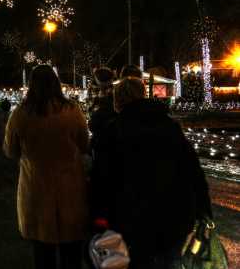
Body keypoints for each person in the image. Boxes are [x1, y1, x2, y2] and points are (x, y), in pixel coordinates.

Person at [90, 77, 212, 269]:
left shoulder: (113, 132)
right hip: (174, 217)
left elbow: (102, 180)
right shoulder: (170, 127)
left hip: (132, 221)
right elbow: (192, 170)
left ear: (118, 101)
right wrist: (203, 208)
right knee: (170, 262)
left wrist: (98, 218)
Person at [3, 65, 90, 269]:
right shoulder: (72, 110)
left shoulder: (21, 114)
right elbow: (84, 144)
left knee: (42, 254)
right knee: (72, 255)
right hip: (70, 189)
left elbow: (10, 150)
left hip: (36, 189)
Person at [89, 67, 117, 148]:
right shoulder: (116, 92)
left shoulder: (104, 97)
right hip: (113, 138)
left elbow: (93, 121)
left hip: (102, 139)